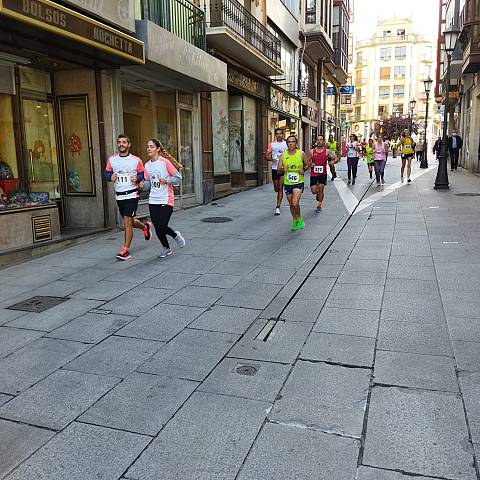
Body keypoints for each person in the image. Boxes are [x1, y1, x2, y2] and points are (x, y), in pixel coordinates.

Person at [104, 134, 151, 261]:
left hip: (132, 194)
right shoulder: (112, 160)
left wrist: (138, 178)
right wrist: (109, 177)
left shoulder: (136, 160)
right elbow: (106, 173)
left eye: (124, 142)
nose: (121, 144)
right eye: (119, 142)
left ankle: (125, 250)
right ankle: (145, 227)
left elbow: (142, 175)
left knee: (127, 221)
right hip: (119, 196)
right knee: (129, 220)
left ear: (129, 145)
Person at [143, 138, 185, 258]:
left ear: (157, 149)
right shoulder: (147, 165)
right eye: (147, 146)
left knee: (162, 225)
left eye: (151, 146)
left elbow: (178, 178)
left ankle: (175, 235)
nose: (149, 149)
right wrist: (141, 185)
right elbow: (148, 185)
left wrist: (166, 180)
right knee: (157, 227)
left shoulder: (165, 162)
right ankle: (166, 248)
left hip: (166, 199)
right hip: (153, 200)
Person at [277, 135, 309, 231]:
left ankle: (299, 218)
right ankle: (295, 219)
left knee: (295, 203)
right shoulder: (283, 155)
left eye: (293, 141)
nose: (291, 143)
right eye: (289, 142)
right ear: (287, 144)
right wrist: (283, 169)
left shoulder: (301, 154)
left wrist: (303, 169)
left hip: (299, 182)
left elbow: (308, 164)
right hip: (288, 183)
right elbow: (278, 170)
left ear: (296, 143)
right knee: (291, 204)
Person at [310, 134, 336, 212]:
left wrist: (332, 161)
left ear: (323, 141)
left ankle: (319, 205)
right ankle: (318, 194)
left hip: (322, 174)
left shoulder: (327, 151)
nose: (319, 141)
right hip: (313, 174)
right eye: (317, 140)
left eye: (321, 139)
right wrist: (310, 164)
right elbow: (307, 162)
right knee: (314, 191)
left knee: (321, 190)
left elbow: (336, 158)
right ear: (316, 141)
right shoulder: (312, 151)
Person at [266, 128, 288, 215]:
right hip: (275, 169)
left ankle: (278, 207)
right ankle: (278, 200)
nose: (279, 135)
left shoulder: (286, 144)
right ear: (275, 135)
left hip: (283, 169)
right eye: (277, 134)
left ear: (283, 134)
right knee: (276, 188)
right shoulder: (272, 144)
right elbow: (266, 156)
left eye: (280, 133)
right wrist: (272, 159)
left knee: (280, 188)